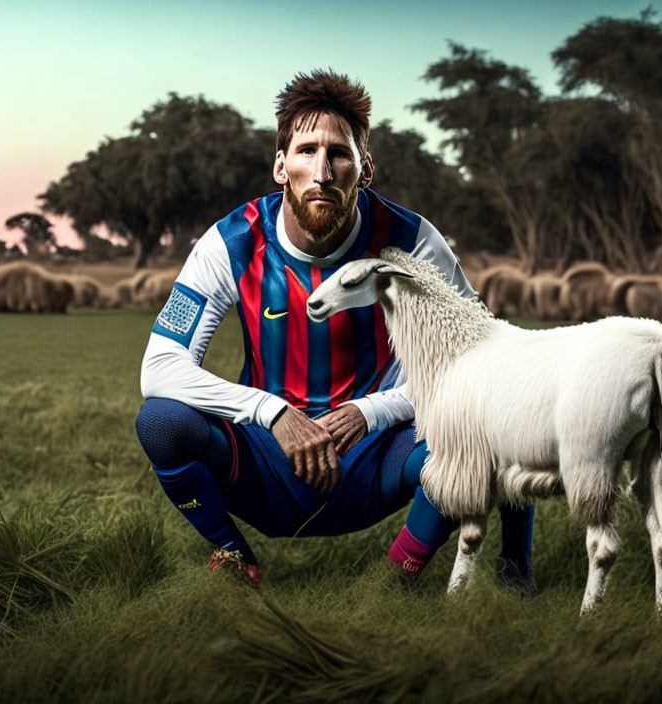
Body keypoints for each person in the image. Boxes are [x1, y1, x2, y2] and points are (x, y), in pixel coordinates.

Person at [134, 69, 535, 593]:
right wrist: (272, 412)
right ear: (281, 166)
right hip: (264, 462)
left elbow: (482, 363)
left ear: (364, 169)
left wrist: (371, 412)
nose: (321, 171)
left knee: (490, 420)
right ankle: (234, 560)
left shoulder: (412, 241)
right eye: (305, 151)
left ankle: (421, 577)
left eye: (339, 154)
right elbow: (159, 368)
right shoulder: (228, 243)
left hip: (378, 459)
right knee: (161, 422)